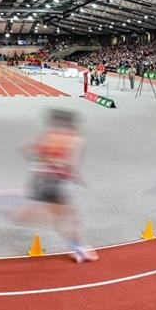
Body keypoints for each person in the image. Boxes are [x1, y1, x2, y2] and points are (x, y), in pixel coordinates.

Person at [16, 109, 98, 263]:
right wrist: (67, 171)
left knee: (62, 216)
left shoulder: (47, 137)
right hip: (56, 183)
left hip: (38, 181)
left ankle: (77, 246)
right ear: (72, 125)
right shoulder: (75, 140)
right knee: (70, 217)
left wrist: (42, 163)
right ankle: (78, 249)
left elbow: (27, 151)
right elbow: (69, 164)